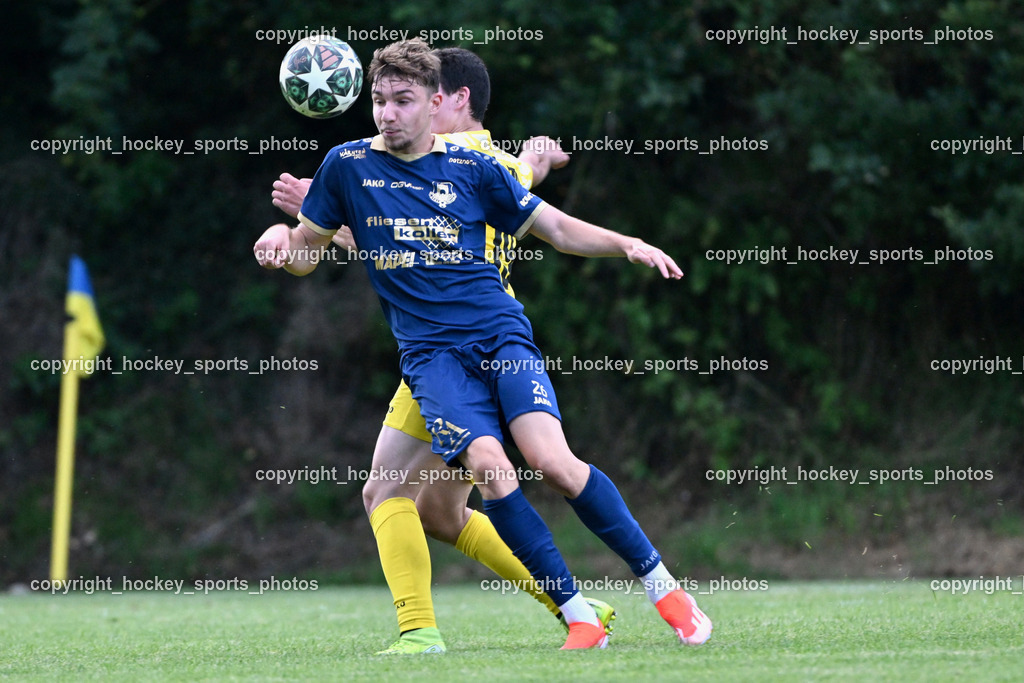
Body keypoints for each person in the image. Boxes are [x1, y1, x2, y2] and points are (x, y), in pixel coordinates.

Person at [254, 38, 712, 651]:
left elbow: (552, 224)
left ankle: (665, 590)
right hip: (433, 359)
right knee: (481, 477)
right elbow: (328, 248)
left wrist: (624, 241)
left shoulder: (475, 161)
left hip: (498, 335)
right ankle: (575, 615)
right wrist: (286, 244)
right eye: (379, 101)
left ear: (442, 101)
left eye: (403, 101)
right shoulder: (348, 164)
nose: (388, 113)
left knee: (552, 463)